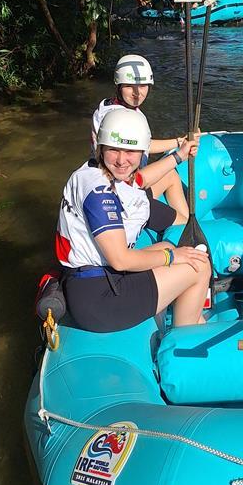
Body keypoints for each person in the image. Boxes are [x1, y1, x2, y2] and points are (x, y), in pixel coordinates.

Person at [56, 108, 210, 333]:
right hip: (101, 302)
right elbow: (120, 260)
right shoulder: (99, 195)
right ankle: (185, 340)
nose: (121, 160)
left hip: (95, 282)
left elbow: (140, 179)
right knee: (198, 265)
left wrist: (179, 155)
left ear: (141, 152)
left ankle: (186, 315)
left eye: (130, 151)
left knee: (166, 245)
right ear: (101, 148)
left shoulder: (96, 170)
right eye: (113, 150)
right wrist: (172, 257)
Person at [91, 54, 194, 221]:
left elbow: (144, 145)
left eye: (143, 85)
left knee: (171, 176)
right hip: (123, 195)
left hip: (128, 181)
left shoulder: (110, 106)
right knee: (182, 222)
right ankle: (183, 226)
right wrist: (179, 151)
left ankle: (184, 220)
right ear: (119, 85)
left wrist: (179, 142)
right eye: (130, 86)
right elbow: (137, 172)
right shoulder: (117, 117)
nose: (137, 93)